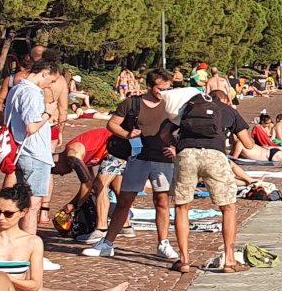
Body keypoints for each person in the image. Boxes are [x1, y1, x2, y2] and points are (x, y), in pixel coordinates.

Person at [87, 70, 180, 262]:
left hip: (162, 158)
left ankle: (163, 243)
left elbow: (181, 128)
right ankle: (108, 243)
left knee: (162, 201)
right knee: (125, 200)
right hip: (138, 157)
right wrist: (126, 134)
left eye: (167, 88)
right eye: (160, 89)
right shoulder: (131, 103)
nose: (163, 92)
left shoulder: (173, 104)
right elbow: (112, 124)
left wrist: (174, 146)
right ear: (149, 86)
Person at [171, 87, 247, 274]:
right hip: (214, 156)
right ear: (225, 100)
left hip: (186, 154)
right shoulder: (229, 111)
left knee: (182, 206)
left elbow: (165, 133)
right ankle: (229, 261)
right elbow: (248, 143)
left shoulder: (188, 108)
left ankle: (184, 261)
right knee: (228, 207)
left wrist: (179, 146)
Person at [3, 55, 56, 236]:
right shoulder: (31, 92)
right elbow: (31, 127)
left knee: (19, 202)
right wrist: (48, 113)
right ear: (44, 73)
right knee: (32, 204)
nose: (49, 85)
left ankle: (15, 242)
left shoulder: (16, 89)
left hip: (19, 151)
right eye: (51, 80)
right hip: (34, 153)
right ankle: (28, 246)